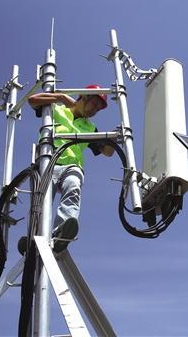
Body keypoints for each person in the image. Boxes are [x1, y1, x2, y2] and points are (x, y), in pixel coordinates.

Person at [28, 85, 113, 253]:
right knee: (41, 203)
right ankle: (32, 240)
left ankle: (61, 232)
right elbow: (32, 101)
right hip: (48, 162)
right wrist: (60, 97)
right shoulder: (55, 109)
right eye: (94, 104)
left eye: (98, 109)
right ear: (84, 96)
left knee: (73, 186)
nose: (94, 110)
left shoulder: (90, 128)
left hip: (72, 166)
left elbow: (107, 152)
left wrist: (114, 139)